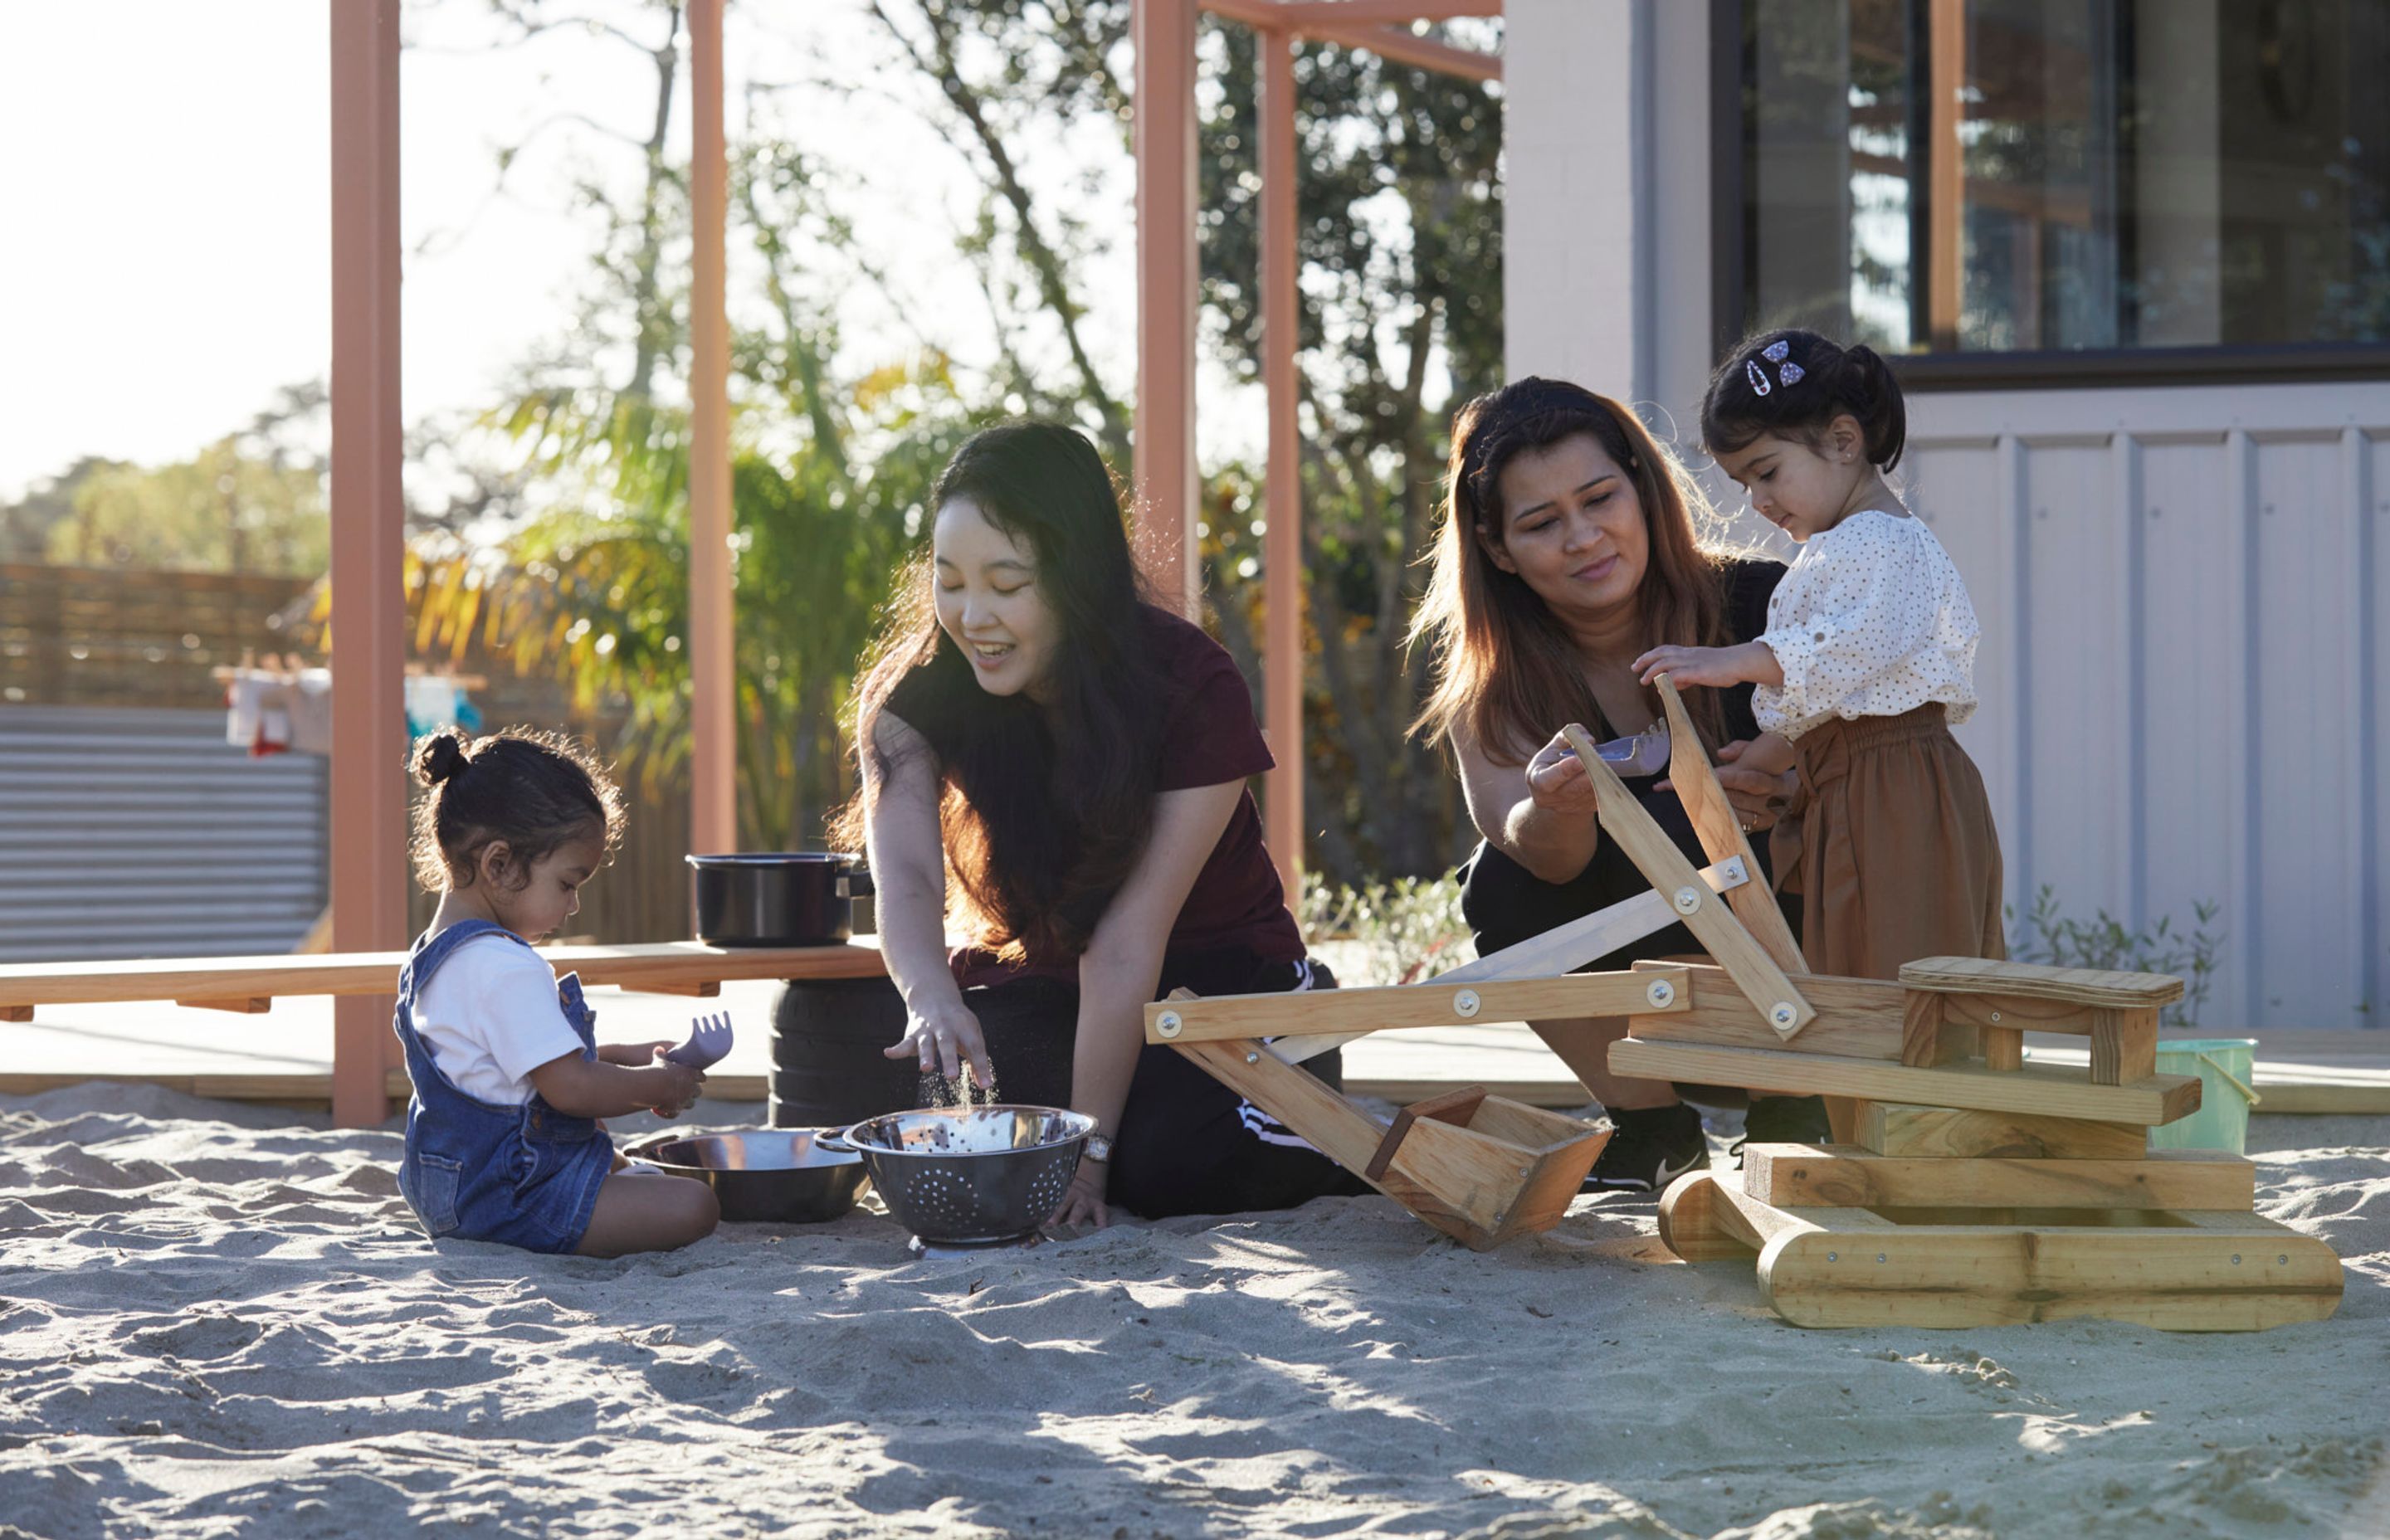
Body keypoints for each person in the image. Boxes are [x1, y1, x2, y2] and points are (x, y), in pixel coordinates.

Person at [832, 421, 1366, 1231]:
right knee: (927, 1092)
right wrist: (932, 997)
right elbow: (905, 881)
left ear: (1078, 577)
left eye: (1006, 584)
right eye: (949, 581)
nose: (971, 614)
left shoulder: (1191, 685)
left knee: (1156, 1163)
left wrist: (1090, 1161)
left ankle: (1297, 1119)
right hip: (1054, 984)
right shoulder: (914, 700)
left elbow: (1127, 941)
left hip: (1219, 987)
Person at [1410, 378, 1830, 1191]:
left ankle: (1797, 1105)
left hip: (1807, 1001)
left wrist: (1794, 784)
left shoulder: (1768, 600)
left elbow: (1890, 770)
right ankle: (1650, 1128)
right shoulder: (1490, 681)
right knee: (1496, 883)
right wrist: (1555, 806)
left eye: (1600, 497)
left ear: (1642, 486)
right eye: (1540, 522)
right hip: (1642, 1021)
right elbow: (1535, 853)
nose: (1582, 536)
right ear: (1499, 550)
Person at [1634, 328, 2004, 978]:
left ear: (1843, 440)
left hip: (1897, 788)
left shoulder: (1879, 540)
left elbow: (1845, 651)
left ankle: (1907, 1081)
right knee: (1855, 952)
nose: (1757, 501)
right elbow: (1836, 698)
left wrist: (1730, 661)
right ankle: (1872, 1079)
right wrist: (1763, 755)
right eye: (1743, 482)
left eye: (1767, 472)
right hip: (1856, 780)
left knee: (1899, 955)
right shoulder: (1836, 548)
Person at [395, 729, 719, 1257]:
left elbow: (528, 1070)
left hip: (451, 1190)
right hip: (513, 1197)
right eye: (568, 884)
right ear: (499, 865)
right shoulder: (504, 966)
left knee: (627, 1169)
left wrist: (636, 1058)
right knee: (695, 1206)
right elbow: (569, 1088)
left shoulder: (436, 956)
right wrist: (659, 1087)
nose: (572, 907)